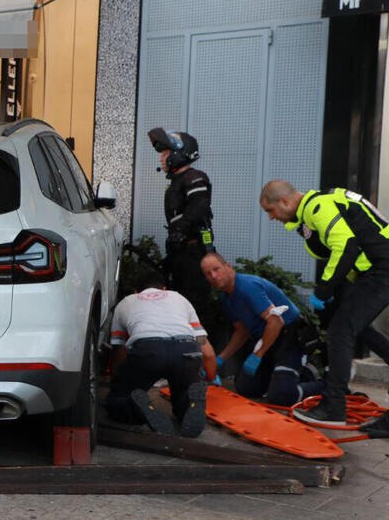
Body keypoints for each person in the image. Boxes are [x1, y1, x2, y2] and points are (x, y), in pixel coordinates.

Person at [260, 180, 389, 426]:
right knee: (358, 329)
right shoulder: (317, 207)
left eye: (270, 210)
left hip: (382, 268)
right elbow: (353, 247)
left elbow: (346, 247)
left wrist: (323, 289)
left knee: (340, 331)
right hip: (375, 269)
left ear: (285, 202)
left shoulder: (318, 207)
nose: (271, 218)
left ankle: (333, 407)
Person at [200, 252, 325, 406]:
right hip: (265, 340)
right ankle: (283, 375)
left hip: (288, 337)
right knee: (246, 387)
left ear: (228, 267)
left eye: (216, 269)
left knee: (282, 396)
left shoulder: (247, 286)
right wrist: (220, 359)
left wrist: (257, 355)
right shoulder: (226, 299)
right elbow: (242, 331)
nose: (213, 275)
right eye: (208, 273)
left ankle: (324, 385)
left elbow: (276, 321)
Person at [104, 271, 218, 437]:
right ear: (164, 288)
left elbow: (119, 349)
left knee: (117, 402)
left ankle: (138, 409)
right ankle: (188, 405)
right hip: (186, 349)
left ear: (136, 292)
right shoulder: (179, 298)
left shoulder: (126, 302)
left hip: (148, 350)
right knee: (183, 395)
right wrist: (210, 377)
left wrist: (118, 383)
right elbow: (207, 351)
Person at [149, 128, 216, 332]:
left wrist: (182, 230)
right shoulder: (176, 182)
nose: (162, 158)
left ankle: (204, 354)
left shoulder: (194, 177)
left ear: (180, 153)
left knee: (196, 305)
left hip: (194, 254)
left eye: (166, 153)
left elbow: (199, 206)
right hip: (180, 253)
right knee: (178, 301)